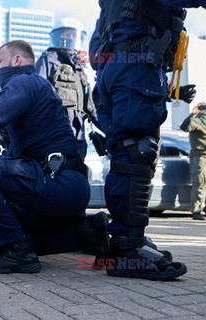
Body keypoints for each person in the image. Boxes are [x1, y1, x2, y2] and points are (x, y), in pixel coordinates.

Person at [0, 39, 109, 274]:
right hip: (68, 187)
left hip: (56, 181)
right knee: (20, 228)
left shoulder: (24, 81)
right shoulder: (37, 95)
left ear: (16, 60)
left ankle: (16, 251)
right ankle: (85, 231)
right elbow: (8, 170)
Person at [89, 0, 206, 280]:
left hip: (114, 71)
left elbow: (97, 52)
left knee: (126, 154)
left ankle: (125, 238)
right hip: (134, 68)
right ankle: (128, 248)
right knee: (136, 154)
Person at [36, 17, 103, 161]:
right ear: (57, 37)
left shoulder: (80, 69)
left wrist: (112, 132)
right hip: (55, 136)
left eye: (72, 35)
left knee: (77, 175)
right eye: (64, 34)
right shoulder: (48, 60)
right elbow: (36, 95)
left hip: (79, 138)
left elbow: (90, 107)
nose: (68, 38)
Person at [180, 102, 206, 221]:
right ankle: (196, 210)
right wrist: (192, 114)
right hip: (200, 157)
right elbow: (184, 127)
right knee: (199, 183)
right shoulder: (197, 120)